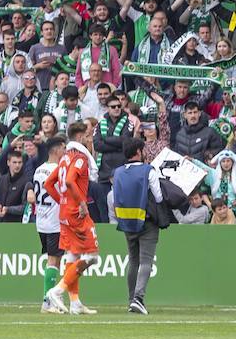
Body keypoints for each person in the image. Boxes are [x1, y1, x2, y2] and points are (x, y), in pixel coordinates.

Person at [111, 138, 186, 315]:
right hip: (146, 221)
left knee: (133, 261)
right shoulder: (148, 171)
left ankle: (131, 300)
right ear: (138, 151)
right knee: (146, 261)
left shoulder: (118, 172)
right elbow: (159, 197)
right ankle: (139, 298)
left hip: (127, 222)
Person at [44, 121, 100, 316]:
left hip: (65, 212)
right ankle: (56, 291)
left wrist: (62, 201)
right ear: (80, 137)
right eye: (87, 135)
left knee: (73, 256)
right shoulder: (79, 158)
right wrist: (81, 203)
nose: (89, 138)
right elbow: (69, 181)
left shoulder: (65, 157)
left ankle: (75, 303)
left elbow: (49, 183)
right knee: (92, 256)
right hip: (77, 212)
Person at [33, 136, 66, 313]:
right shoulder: (58, 170)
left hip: (42, 220)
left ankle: (53, 298)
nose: (65, 151)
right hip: (54, 220)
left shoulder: (39, 170)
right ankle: (47, 301)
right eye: (63, 148)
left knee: (54, 260)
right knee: (54, 260)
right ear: (56, 150)